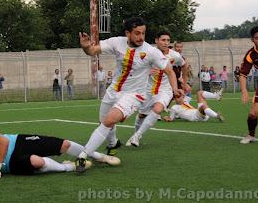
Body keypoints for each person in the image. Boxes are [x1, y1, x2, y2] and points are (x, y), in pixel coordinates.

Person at [76, 17, 183, 172]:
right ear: (127, 33)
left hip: (134, 95)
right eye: (137, 33)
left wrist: (174, 89)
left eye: (143, 33)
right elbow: (92, 51)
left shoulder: (151, 51)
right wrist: (86, 47)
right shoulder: (116, 42)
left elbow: (170, 71)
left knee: (109, 120)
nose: (141, 37)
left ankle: (82, 156)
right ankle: (112, 145)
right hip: (113, 91)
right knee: (104, 123)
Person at [0, 127, 120, 177]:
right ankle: (69, 167)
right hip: (11, 165)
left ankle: (99, 156)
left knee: (64, 145)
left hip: (17, 142)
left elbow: (3, 141)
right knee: (37, 162)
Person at [126, 30, 187, 147]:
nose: (165, 43)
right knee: (142, 115)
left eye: (168, 40)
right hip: (148, 89)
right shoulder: (148, 53)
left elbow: (184, 65)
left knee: (158, 109)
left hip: (165, 89)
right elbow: (135, 69)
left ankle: (137, 136)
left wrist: (184, 81)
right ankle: (135, 134)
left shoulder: (174, 55)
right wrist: (148, 72)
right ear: (156, 41)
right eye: (163, 40)